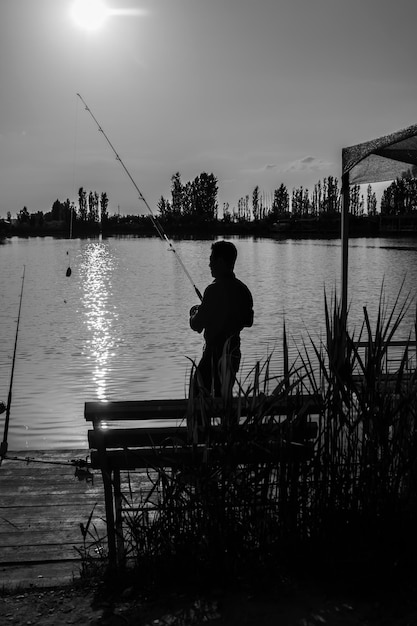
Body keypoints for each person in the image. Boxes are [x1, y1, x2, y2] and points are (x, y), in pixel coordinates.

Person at [189, 241, 254, 396]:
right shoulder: (243, 290)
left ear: (220, 261)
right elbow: (248, 321)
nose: (209, 264)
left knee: (197, 398)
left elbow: (197, 324)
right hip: (233, 355)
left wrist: (194, 312)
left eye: (211, 259)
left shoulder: (212, 290)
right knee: (224, 398)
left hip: (212, 356)